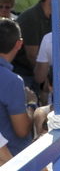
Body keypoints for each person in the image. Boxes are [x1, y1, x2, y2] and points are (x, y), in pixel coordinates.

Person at [0, 19, 32, 155]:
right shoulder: (12, 81)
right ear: (19, 44)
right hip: (11, 165)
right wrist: (31, 104)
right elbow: (22, 130)